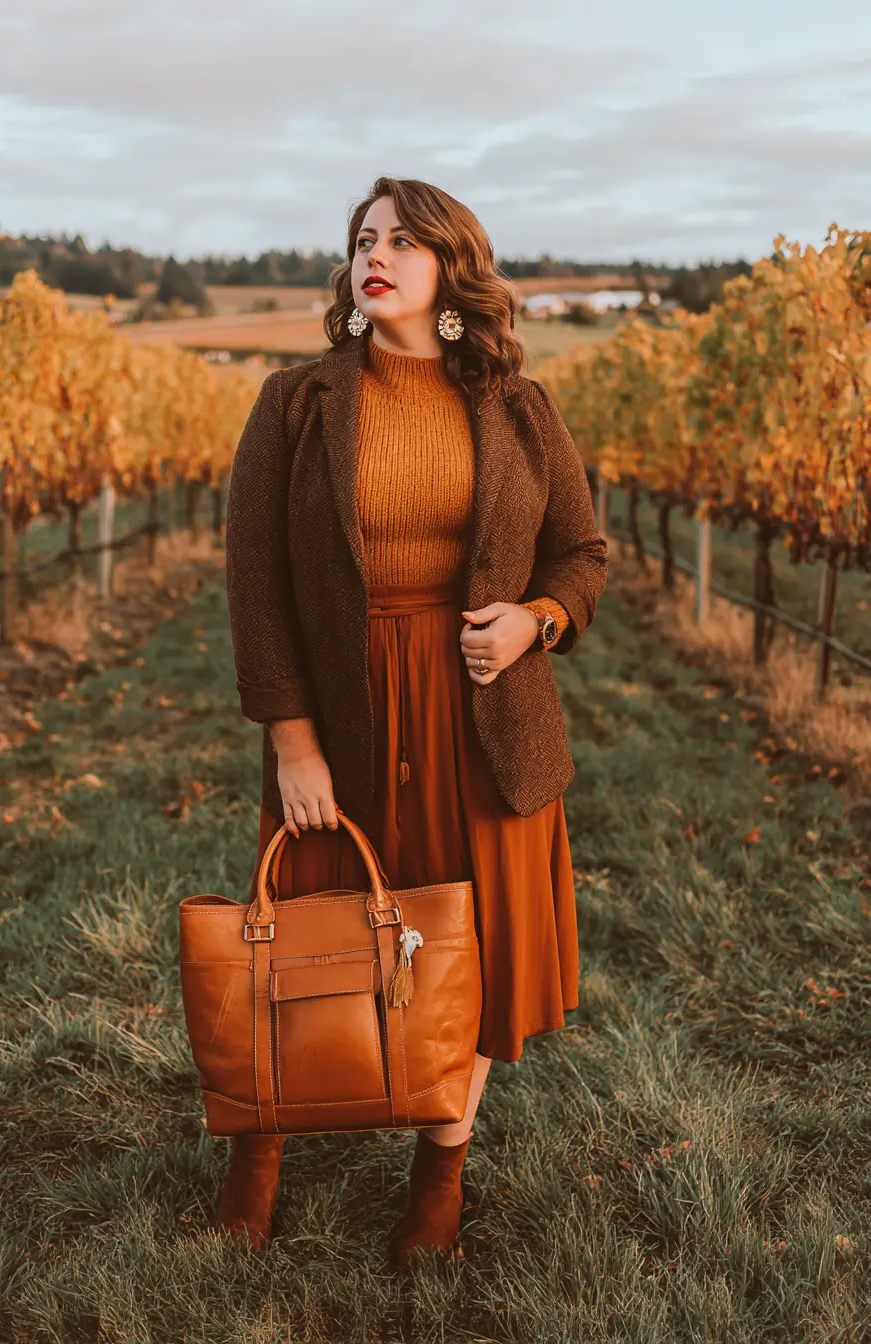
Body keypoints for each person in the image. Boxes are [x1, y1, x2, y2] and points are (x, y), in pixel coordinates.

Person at [217, 175, 609, 1268]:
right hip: (342, 710)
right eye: (361, 240)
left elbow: (580, 557)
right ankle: (258, 1151)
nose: (373, 254)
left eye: (400, 240)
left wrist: (535, 621)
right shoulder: (296, 401)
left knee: (462, 954)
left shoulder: (518, 409)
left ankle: (440, 1169)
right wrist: (290, 739)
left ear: (449, 269)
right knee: (305, 940)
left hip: (482, 715)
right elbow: (255, 579)